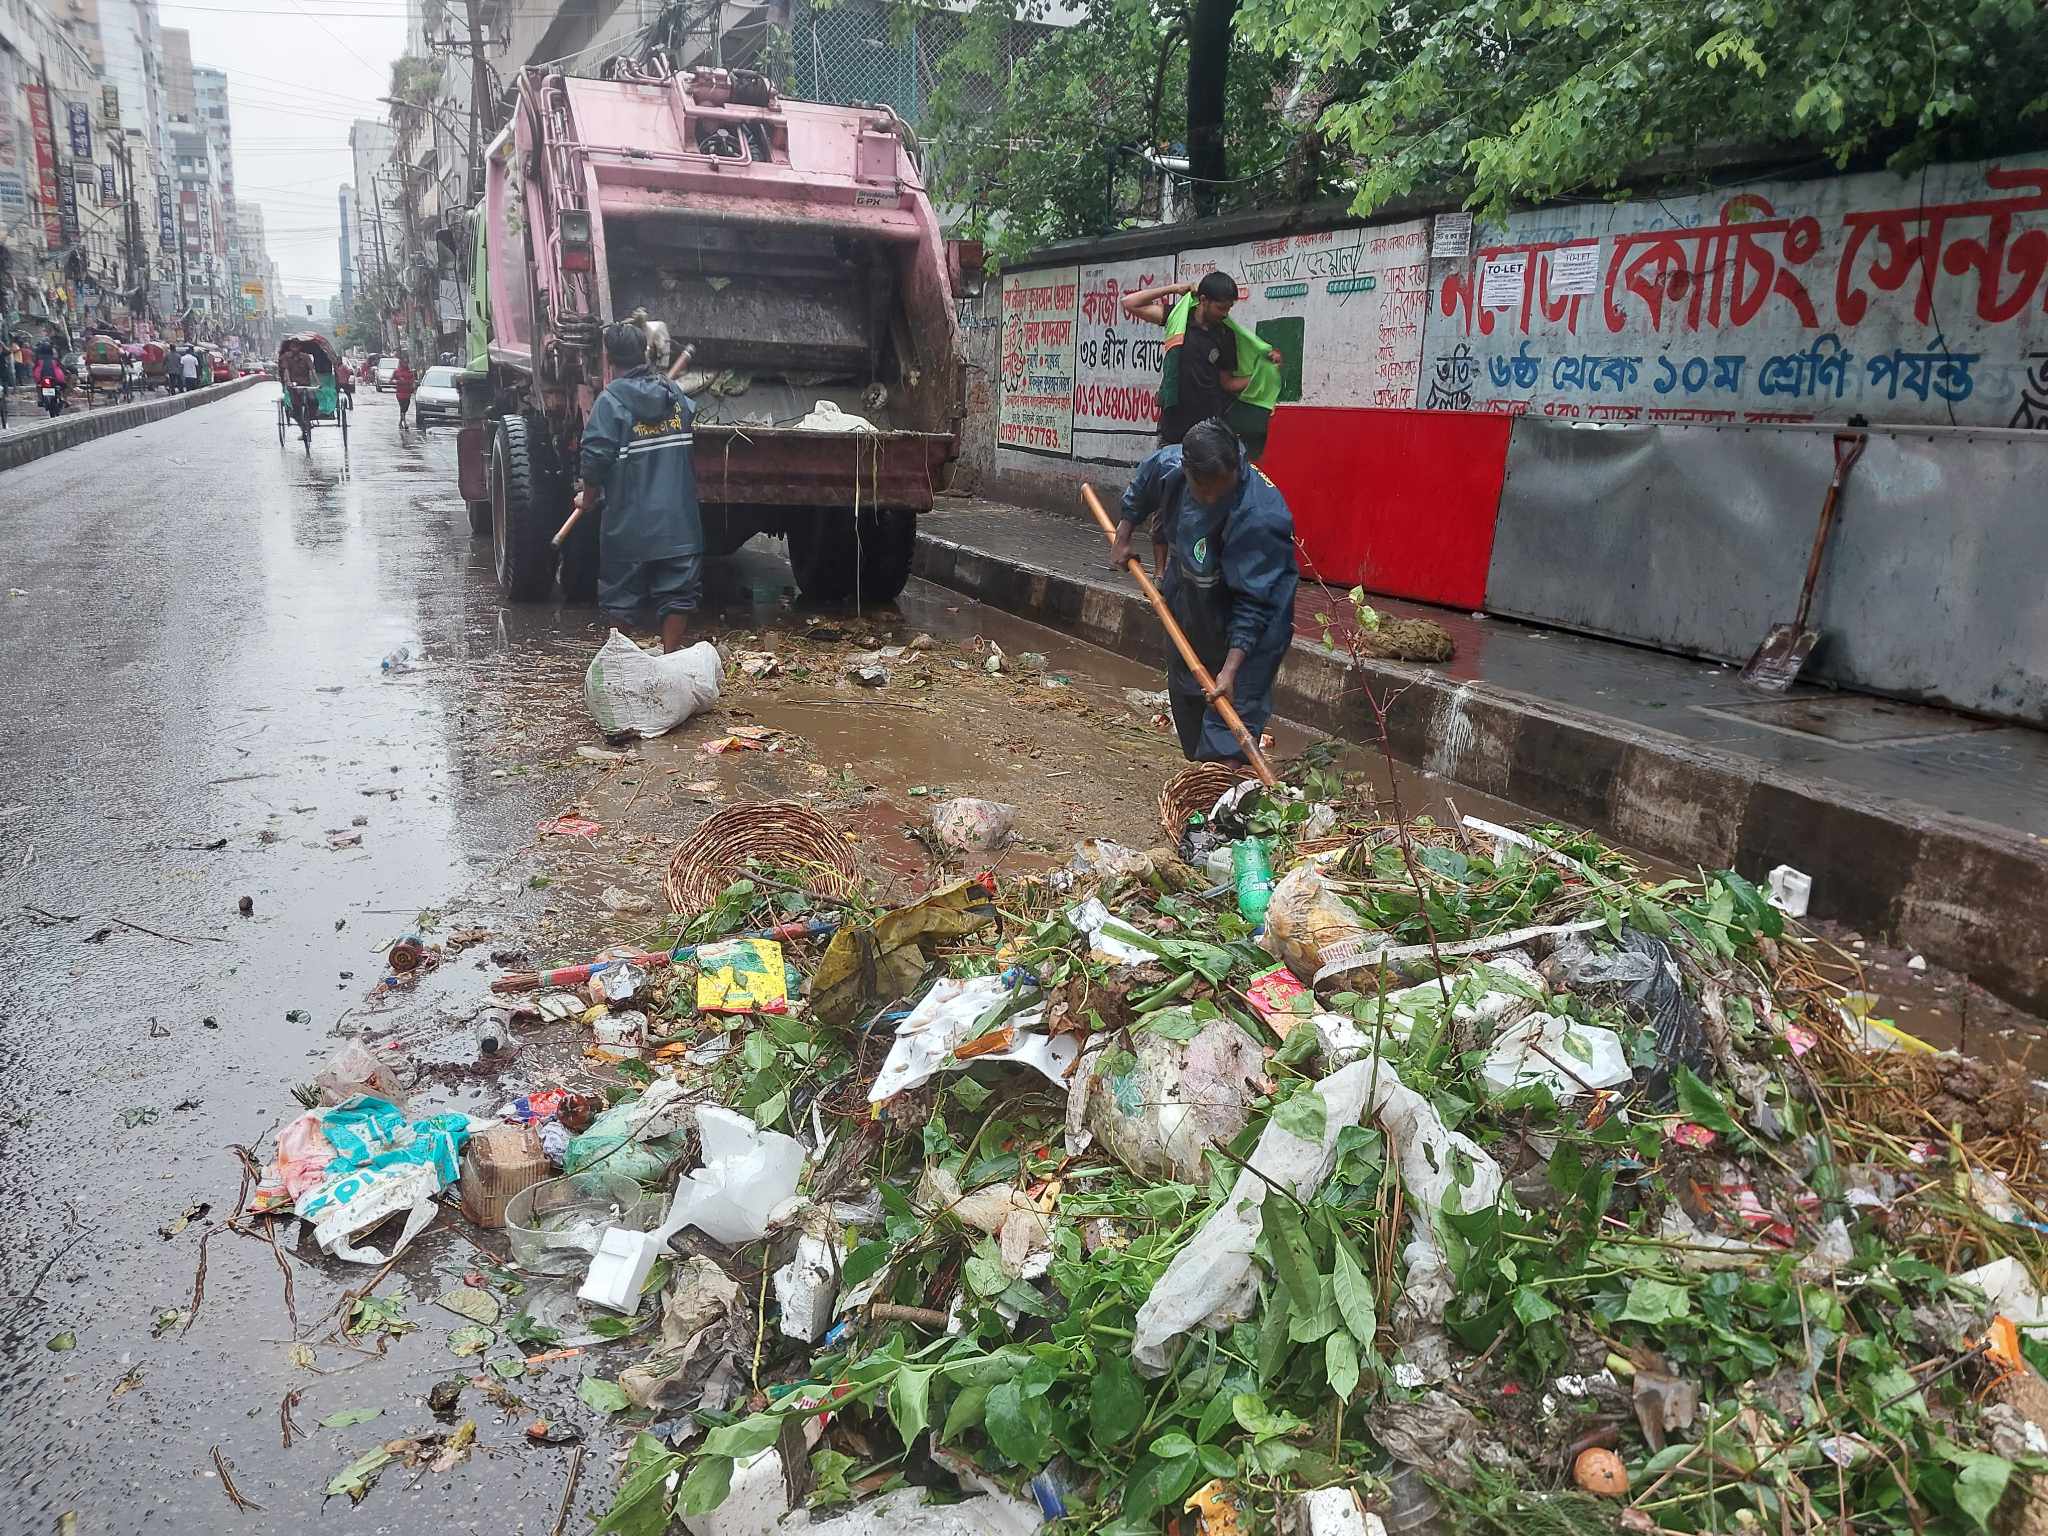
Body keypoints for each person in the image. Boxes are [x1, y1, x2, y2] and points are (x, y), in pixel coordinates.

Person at [1108, 418, 1299, 763]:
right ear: (1187, 469)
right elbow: (1144, 484)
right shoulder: (1171, 466)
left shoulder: (1260, 516)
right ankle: (1202, 772)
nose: (1211, 496)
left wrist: (1229, 670)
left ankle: (1218, 793)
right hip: (1193, 594)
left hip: (1254, 614)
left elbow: (1253, 605)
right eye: (1203, 487)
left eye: (1220, 487)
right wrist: (1122, 537)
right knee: (1189, 698)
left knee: (1232, 714)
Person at [576, 318, 702, 653]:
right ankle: (670, 657)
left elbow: (594, 460)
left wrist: (587, 499)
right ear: (644, 353)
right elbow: (689, 417)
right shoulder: (672, 393)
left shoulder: (609, 403)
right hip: (678, 523)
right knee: (678, 594)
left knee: (621, 598)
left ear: (608, 358)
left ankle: (623, 662)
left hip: (629, 524)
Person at [1120, 271, 1284, 460]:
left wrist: (1264, 372)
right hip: (1174, 428)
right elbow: (1129, 303)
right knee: (1170, 484)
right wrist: (1174, 288)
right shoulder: (1178, 318)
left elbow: (1227, 383)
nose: (1225, 314)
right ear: (1204, 300)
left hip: (1209, 431)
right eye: (1221, 308)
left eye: (1228, 309)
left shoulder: (1225, 335)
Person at [31, 345, 66, 418]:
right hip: (56, 379)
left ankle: (40, 399)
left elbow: (34, 369)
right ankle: (62, 398)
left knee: (39, 387)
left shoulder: (38, 360)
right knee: (62, 386)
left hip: (41, 379)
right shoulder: (55, 359)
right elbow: (61, 367)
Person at [391, 355, 416, 427]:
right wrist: (398, 381)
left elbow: (413, 381)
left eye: (406, 363)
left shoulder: (410, 372)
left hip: (408, 393)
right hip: (400, 393)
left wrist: (413, 386)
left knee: (406, 407)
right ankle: (404, 422)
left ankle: (400, 421)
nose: (405, 364)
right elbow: (391, 380)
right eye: (404, 362)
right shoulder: (397, 371)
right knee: (402, 407)